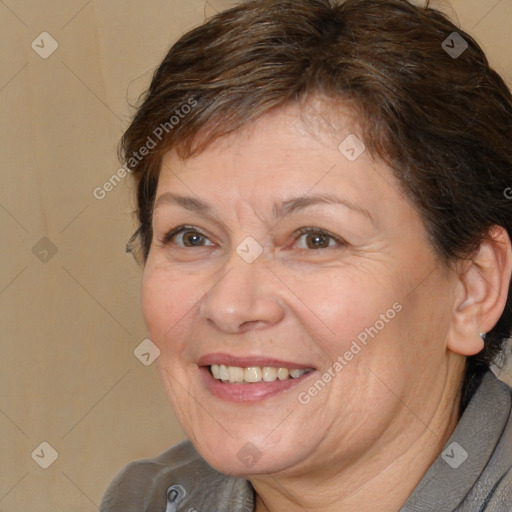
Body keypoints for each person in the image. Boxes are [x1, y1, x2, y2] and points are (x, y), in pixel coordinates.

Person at [100, 0, 512, 510]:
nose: (230, 306)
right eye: (191, 237)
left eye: (316, 238)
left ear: (473, 288)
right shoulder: (146, 499)